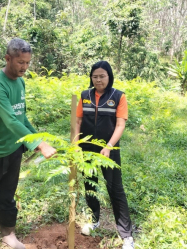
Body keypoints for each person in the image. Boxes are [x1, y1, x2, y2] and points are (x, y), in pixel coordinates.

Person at [0, 38, 56, 249]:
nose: (24, 67)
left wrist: (40, 139)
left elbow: (21, 117)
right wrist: (40, 145)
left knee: (8, 194)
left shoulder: (20, 82)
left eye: (27, 63)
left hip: (15, 148)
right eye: (20, 62)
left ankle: (8, 233)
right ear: (8, 58)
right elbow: (10, 120)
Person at [75, 61, 134, 249]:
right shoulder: (85, 96)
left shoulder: (118, 96)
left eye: (102, 76)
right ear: (91, 78)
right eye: (95, 76)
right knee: (90, 185)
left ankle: (126, 235)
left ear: (109, 76)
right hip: (87, 149)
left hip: (109, 150)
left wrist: (109, 146)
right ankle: (94, 221)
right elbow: (77, 121)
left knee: (115, 189)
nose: (98, 79)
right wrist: (76, 144)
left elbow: (120, 125)